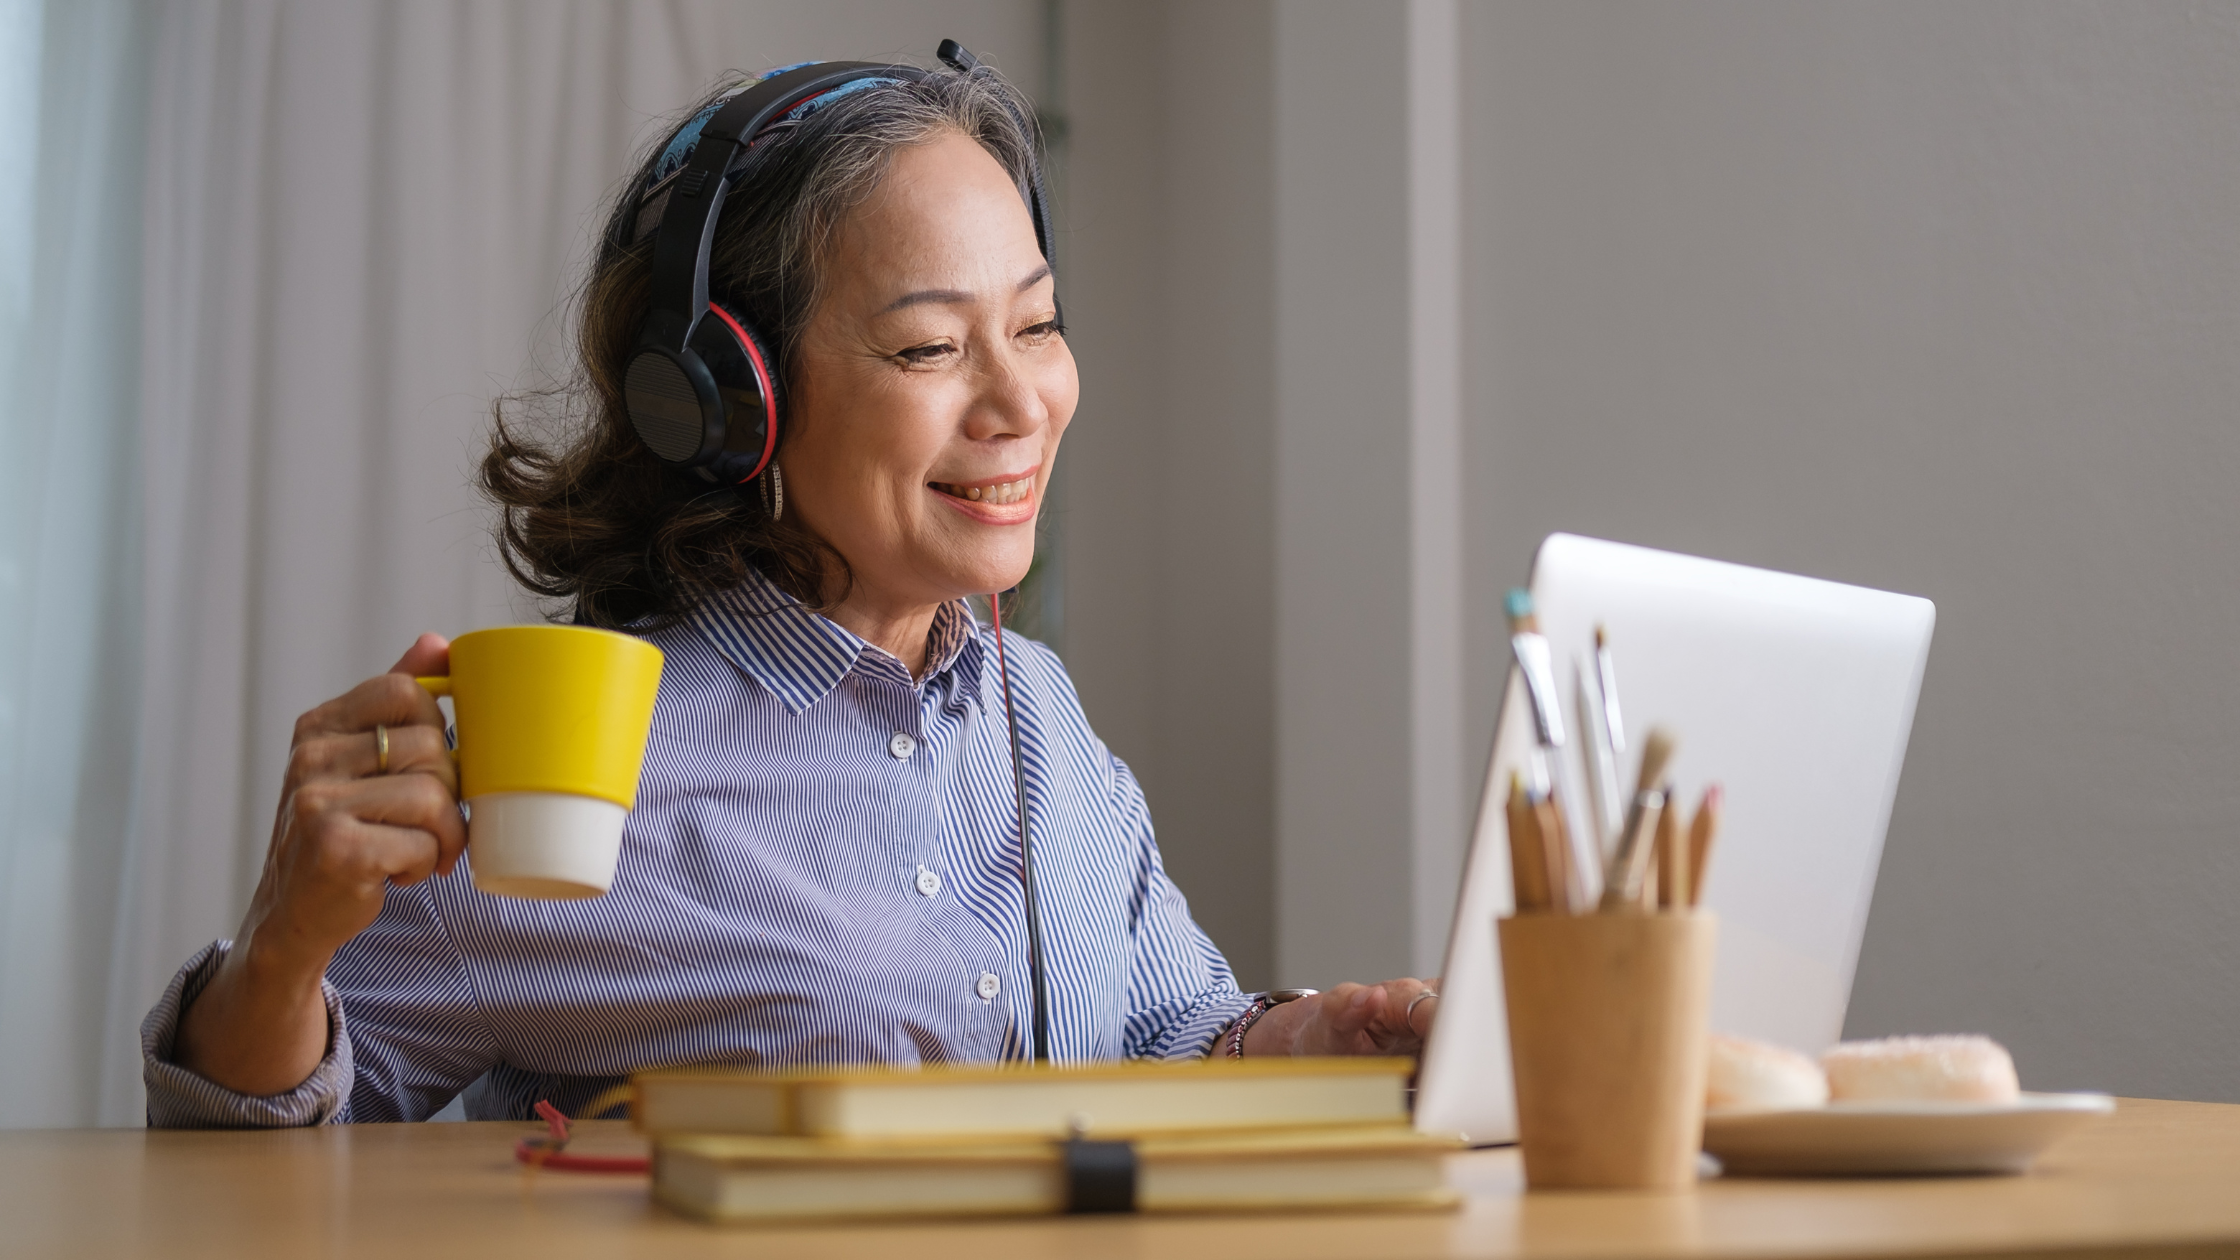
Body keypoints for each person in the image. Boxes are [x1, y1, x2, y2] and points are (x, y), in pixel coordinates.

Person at [142, 56, 1438, 1127]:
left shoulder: (1036, 711)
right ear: (727, 403)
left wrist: (1296, 1037)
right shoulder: (573, 770)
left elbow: (1157, 1037)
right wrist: (282, 949)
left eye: (1037, 325)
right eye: (930, 346)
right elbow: (242, 1164)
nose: (1022, 403)